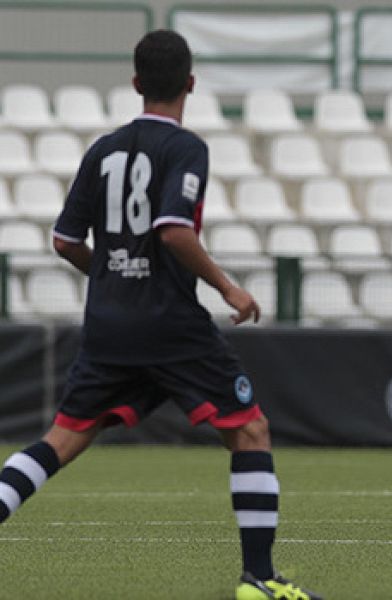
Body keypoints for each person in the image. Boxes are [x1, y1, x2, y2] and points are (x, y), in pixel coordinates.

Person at [0, 30, 321, 600]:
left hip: (108, 323)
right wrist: (228, 288)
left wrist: (110, 272)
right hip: (171, 324)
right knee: (250, 431)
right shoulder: (186, 147)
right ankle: (260, 579)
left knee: (63, 439)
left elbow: (64, 241)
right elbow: (173, 229)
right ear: (190, 84)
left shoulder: (103, 149)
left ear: (135, 84)